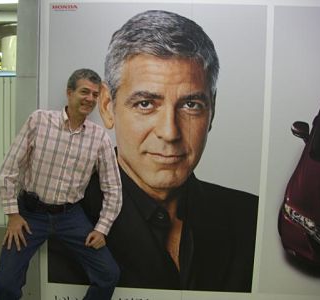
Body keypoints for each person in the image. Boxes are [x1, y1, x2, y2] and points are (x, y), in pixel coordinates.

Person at [48, 10, 259, 292]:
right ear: (108, 107)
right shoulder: (58, 218)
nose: (170, 132)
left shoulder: (251, 218)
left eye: (191, 105)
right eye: (146, 104)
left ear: (213, 109)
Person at [0, 68, 122, 300]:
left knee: (108, 274)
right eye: (84, 92)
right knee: (6, 283)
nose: (90, 99)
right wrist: (12, 214)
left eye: (94, 94)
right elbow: (9, 169)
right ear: (69, 92)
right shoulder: (39, 121)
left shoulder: (99, 137)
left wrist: (102, 228)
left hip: (70, 217)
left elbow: (113, 189)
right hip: (30, 215)